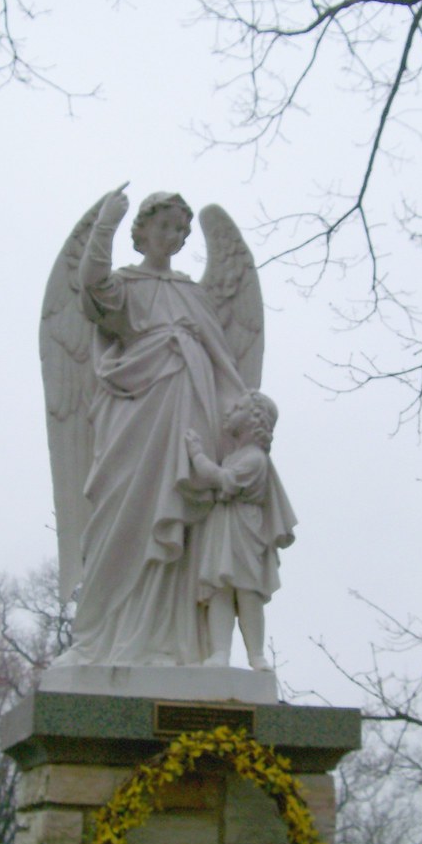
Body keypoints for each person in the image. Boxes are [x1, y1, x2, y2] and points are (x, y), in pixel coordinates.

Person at [57, 188, 248, 666]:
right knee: (120, 512)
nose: (173, 236)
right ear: (142, 231)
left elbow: (224, 363)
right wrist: (105, 226)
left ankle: (168, 642)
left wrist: (242, 422)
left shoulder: (192, 293)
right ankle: (98, 637)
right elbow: (93, 287)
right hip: (132, 413)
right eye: (163, 226)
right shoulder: (124, 285)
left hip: (188, 411)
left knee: (178, 516)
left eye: (181, 230)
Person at [185, 390, 296, 670]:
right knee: (220, 590)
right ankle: (220, 652)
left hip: (246, 530)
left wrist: (196, 454)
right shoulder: (237, 455)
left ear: (252, 420)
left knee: (248, 593)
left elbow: (224, 481)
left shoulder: (255, 459)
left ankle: (255, 655)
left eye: (237, 408)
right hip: (223, 527)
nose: (228, 412)